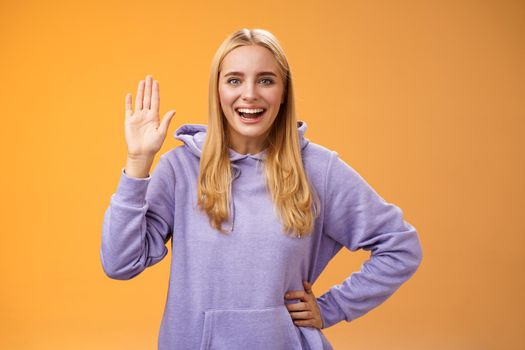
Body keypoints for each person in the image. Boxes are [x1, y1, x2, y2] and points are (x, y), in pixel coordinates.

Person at [100, 28, 423, 350]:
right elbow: (120, 263)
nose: (250, 93)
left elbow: (399, 246)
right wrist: (137, 161)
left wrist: (332, 308)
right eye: (235, 80)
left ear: (284, 92)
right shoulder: (179, 169)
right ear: (217, 91)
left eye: (266, 80)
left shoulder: (319, 169)